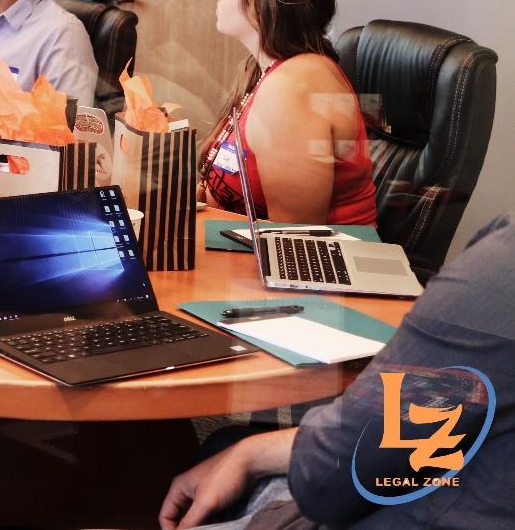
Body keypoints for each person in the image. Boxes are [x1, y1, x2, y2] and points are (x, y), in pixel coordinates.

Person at [159, 214, 515, 530]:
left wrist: (250, 456)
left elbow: (329, 485)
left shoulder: (503, 268)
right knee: (226, 444)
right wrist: (248, 453)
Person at [200, 0, 376, 226]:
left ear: (261, 4)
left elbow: (294, 237)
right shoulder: (264, 71)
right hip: (252, 250)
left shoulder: (294, 86)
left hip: (318, 264)